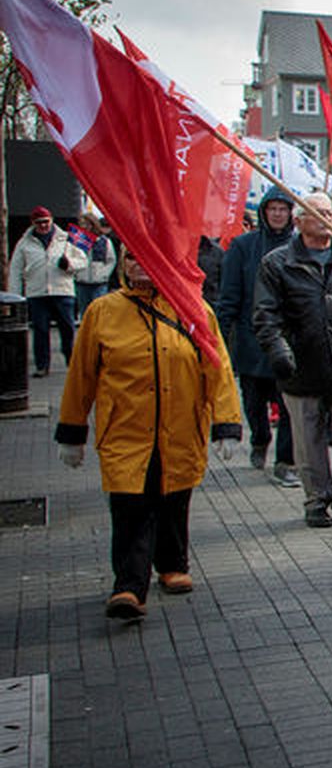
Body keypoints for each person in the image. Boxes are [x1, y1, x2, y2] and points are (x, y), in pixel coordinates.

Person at [55, 251, 241, 619]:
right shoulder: (102, 312)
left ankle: (173, 564)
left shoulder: (193, 309)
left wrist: (226, 423)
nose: (140, 264)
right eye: (131, 258)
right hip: (125, 430)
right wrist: (72, 431)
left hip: (181, 426)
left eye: (148, 257)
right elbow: (82, 376)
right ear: (121, 265)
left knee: (174, 497)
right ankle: (128, 584)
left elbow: (217, 368)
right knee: (130, 506)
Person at [253, 191, 332, 528]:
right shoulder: (277, 264)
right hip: (301, 366)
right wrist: (279, 351)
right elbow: (265, 315)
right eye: (316, 213)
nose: (325, 219)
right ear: (299, 221)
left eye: (329, 213)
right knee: (308, 439)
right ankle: (316, 499)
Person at [217, 190, 299, 484]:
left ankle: (286, 460)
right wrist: (220, 340)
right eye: (272, 209)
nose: (278, 214)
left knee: (290, 404)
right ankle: (260, 439)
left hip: (289, 341)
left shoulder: (298, 247)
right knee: (254, 402)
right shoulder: (242, 247)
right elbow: (229, 297)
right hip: (251, 341)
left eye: (283, 209)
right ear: (264, 212)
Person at [8, 205, 85, 377]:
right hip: (37, 293)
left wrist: (70, 264)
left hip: (62, 291)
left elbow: (83, 260)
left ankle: (71, 361)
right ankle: (42, 365)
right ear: (33, 224)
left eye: (46, 222)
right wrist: (15, 295)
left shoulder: (66, 239)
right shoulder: (24, 243)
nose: (43, 226)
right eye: (39, 223)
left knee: (67, 329)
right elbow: (16, 269)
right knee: (40, 330)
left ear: (52, 221)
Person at [72, 216, 118, 317]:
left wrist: (104, 274)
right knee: (84, 312)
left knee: (99, 312)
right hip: (82, 282)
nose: (85, 227)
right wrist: (76, 274)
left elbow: (111, 260)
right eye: (82, 224)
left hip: (99, 282)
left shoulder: (104, 241)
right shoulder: (77, 241)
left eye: (87, 224)